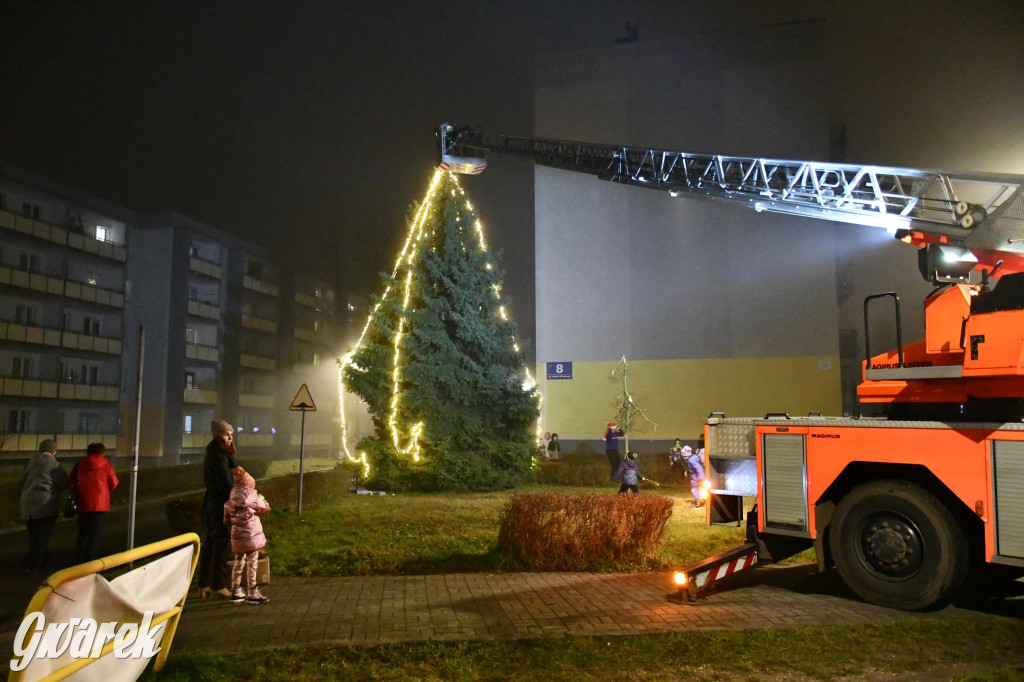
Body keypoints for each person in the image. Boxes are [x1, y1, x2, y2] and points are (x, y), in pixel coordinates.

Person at [197, 419, 238, 598]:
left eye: (231, 435)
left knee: (211, 542)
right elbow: (225, 482)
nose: (229, 438)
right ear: (217, 435)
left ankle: (204, 584)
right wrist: (237, 498)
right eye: (226, 434)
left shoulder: (211, 455)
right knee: (222, 541)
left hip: (212, 502)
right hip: (222, 504)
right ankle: (218, 584)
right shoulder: (221, 457)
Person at [18, 439, 69, 571]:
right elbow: (63, 483)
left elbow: (21, 482)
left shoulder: (31, 462)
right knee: (43, 534)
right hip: (45, 504)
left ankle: (43, 559)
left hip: (28, 503)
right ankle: (34, 564)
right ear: (54, 451)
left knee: (35, 533)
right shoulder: (54, 464)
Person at [223, 466, 271, 604]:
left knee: (238, 562)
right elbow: (265, 508)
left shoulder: (230, 500)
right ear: (250, 484)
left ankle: (236, 591)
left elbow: (226, 520)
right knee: (252, 563)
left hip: (237, 536)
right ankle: (252, 591)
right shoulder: (254, 497)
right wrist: (262, 498)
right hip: (252, 536)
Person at [69, 442, 119, 562]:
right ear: (102, 452)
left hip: (83, 501)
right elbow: (113, 482)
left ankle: (79, 556)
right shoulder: (106, 464)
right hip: (100, 503)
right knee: (95, 532)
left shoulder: (80, 464)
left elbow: (72, 481)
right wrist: (104, 491)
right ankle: (90, 557)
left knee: (83, 531)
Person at [684, 441, 707, 508]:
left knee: (695, 490)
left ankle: (697, 504)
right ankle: (700, 501)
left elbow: (698, 468)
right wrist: (687, 471)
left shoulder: (691, 460)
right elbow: (691, 467)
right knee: (700, 490)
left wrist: (701, 478)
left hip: (696, 478)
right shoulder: (692, 458)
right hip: (697, 478)